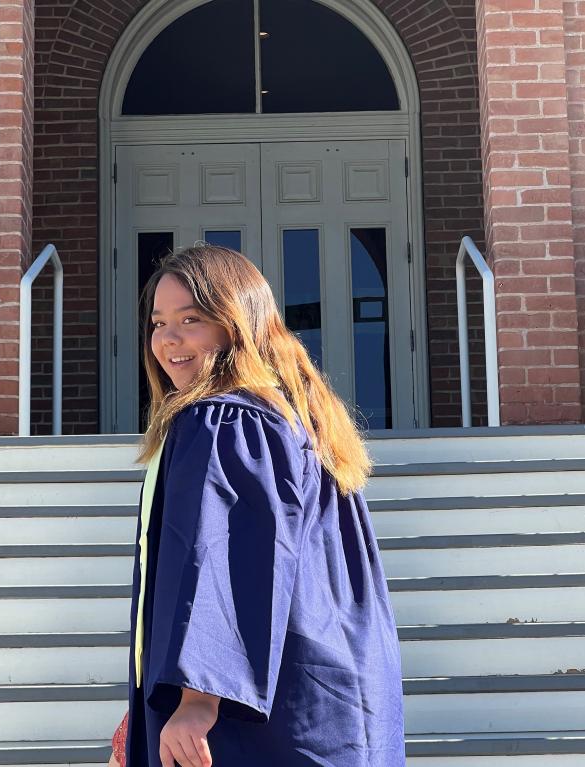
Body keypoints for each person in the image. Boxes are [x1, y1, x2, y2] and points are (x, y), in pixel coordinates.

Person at [110, 245, 405, 767]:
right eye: (159, 322)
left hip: (253, 717)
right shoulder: (298, 419)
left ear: (234, 325)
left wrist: (196, 698)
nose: (168, 338)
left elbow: (219, 556)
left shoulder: (222, 422)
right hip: (331, 695)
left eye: (191, 319)